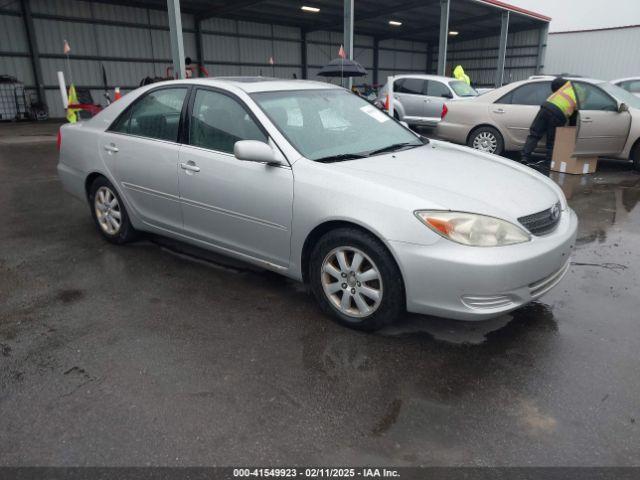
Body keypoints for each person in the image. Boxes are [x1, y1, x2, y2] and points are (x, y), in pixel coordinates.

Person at [521, 77, 578, 167]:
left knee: (534, 134)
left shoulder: (568, 85)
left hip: (546, 107)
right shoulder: (579, 95)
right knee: (551, 141)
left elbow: (557, 82)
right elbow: (574, 116)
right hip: (558, 113)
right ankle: (548, 163)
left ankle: (524, 157)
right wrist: (571, 128)